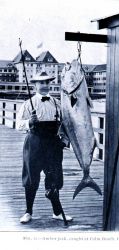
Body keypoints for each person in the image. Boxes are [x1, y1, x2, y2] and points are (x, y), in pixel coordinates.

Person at [16, 71, 73, 224]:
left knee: (54, 177)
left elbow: (66, 124)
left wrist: (64, 141)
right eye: (41, 83)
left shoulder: (56, 103)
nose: (45, 85)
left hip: (53, 145)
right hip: (34, 143)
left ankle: (57, 212)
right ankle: (28, 212)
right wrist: (29, 122)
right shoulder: (28, 103)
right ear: (35, 85)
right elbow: (18, 125)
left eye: (47, 82)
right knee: (31, 177)